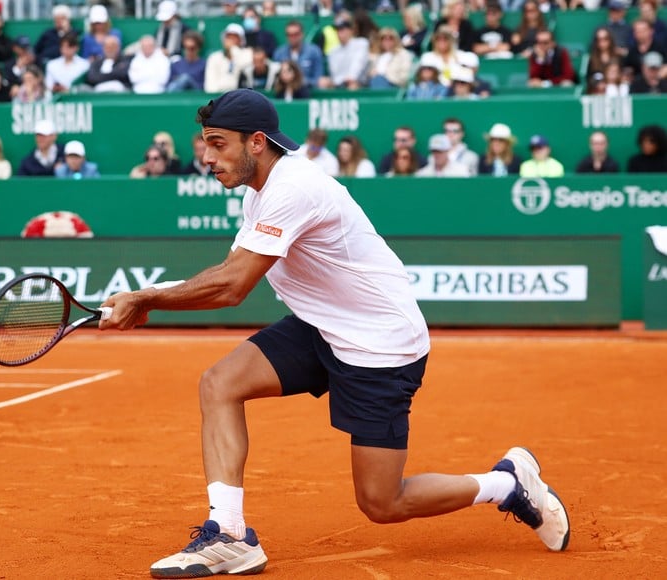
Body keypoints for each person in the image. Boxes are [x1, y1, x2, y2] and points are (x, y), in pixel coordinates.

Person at [98, 88, 571, 579]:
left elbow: (232, 287)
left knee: (383, 502)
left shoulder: (292, 188)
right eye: (204, 143)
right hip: (323, 326)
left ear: (256, 142)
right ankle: (230, 535)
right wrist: (144, 294)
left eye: (217, 144)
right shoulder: (263, 190)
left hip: (379, 344)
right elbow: (230, 269)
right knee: (221, 383)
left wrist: (147, 298)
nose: (207, 157)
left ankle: (506, 484)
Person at [318, 15, 370, 90]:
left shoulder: (361, 43)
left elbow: (358, 64)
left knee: (352, 86)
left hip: (359, 83)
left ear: (350, 30)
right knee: (322, 83)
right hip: (339, 84)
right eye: (337, 30)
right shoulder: (333, 51)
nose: (339, 33)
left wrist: (351, 78)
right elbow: (334, 74)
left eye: (342, 29)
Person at [272, 19, 324, 89]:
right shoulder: (279, 53)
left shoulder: (314, 51)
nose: (292, 37)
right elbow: (276, 79)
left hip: (308, 92)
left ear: (302, 34)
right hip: (284, 93)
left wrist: (298, 82)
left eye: (295, 34)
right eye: (289, 35)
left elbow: (318, 79)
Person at [204, 23, 253, 94]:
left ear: (241, 40)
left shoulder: (247, 53)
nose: (230, 40)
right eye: (228, 37)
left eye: (234, 37)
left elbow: (243, 66)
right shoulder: (214, 57)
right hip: (218, 97)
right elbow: (210, 84)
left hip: (239, 96)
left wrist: (233, 49)